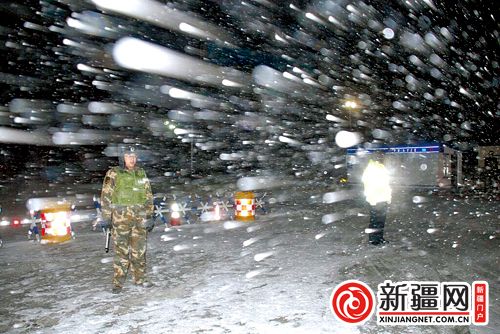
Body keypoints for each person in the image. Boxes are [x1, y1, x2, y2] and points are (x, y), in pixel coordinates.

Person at [100, 146, 155, 293]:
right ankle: (118, 283)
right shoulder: (113, 173)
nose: (132, 159)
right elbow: (106, 196)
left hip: (139, 218)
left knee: (140, 251)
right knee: (121, 251)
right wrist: (106, 217)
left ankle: (140, 279)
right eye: (128, 156)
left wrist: (150, 215)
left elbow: (148, 195)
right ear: (121, 158)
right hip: (121, 219)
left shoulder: (140, 173)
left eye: (134, 156)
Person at [361, 151, 392, 245]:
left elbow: (386, 184)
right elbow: (368, 185)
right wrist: (372, 199)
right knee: (375, 221)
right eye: (380, 156)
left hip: (382, 199)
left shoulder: (381, 167)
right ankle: (374, 240)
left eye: (382, 156)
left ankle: (379, 238)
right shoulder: (371, 168)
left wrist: (388, 197)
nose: (382, 158)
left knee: (380, 221)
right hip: (376, 200)